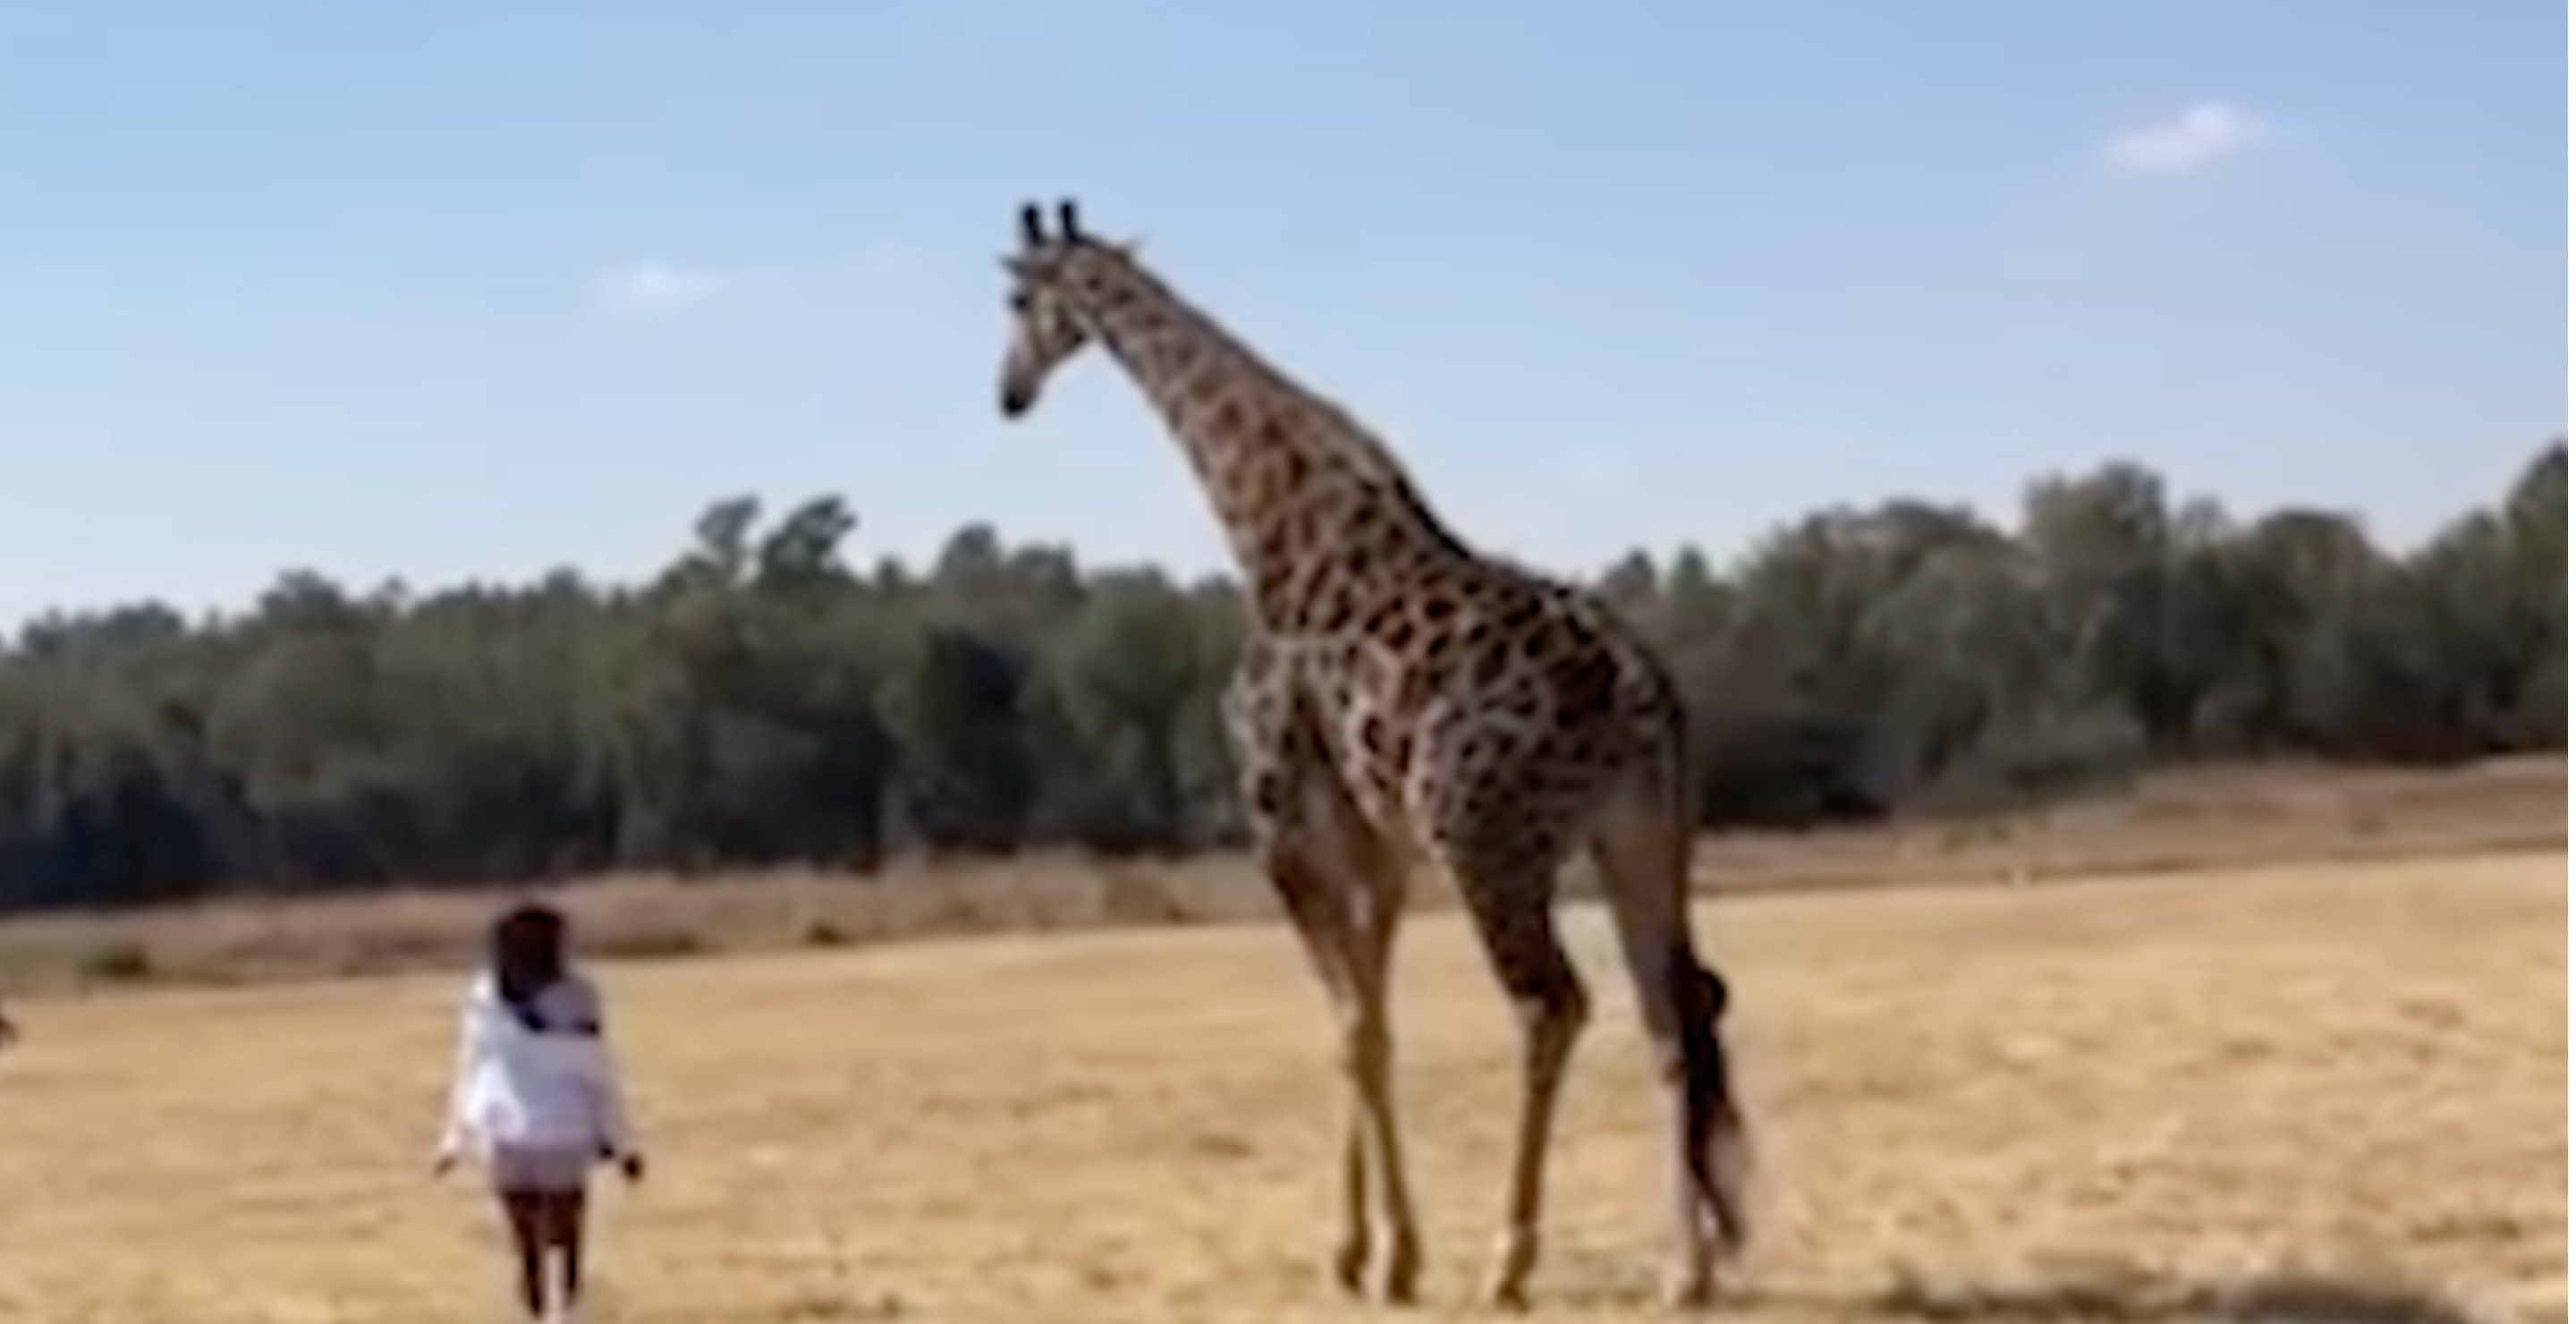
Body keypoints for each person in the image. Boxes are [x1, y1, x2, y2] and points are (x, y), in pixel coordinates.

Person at [433, 901, 644, 1324]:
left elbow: (471, 1067)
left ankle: (535, 1305)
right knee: (566, 1235)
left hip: (503, 1130)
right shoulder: (579, 998)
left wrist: (453, 1140)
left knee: (526, 1242)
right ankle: (564, 1307)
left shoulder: (482, 997)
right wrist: (623, 1144)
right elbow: (597, 1073)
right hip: (564, 1130)